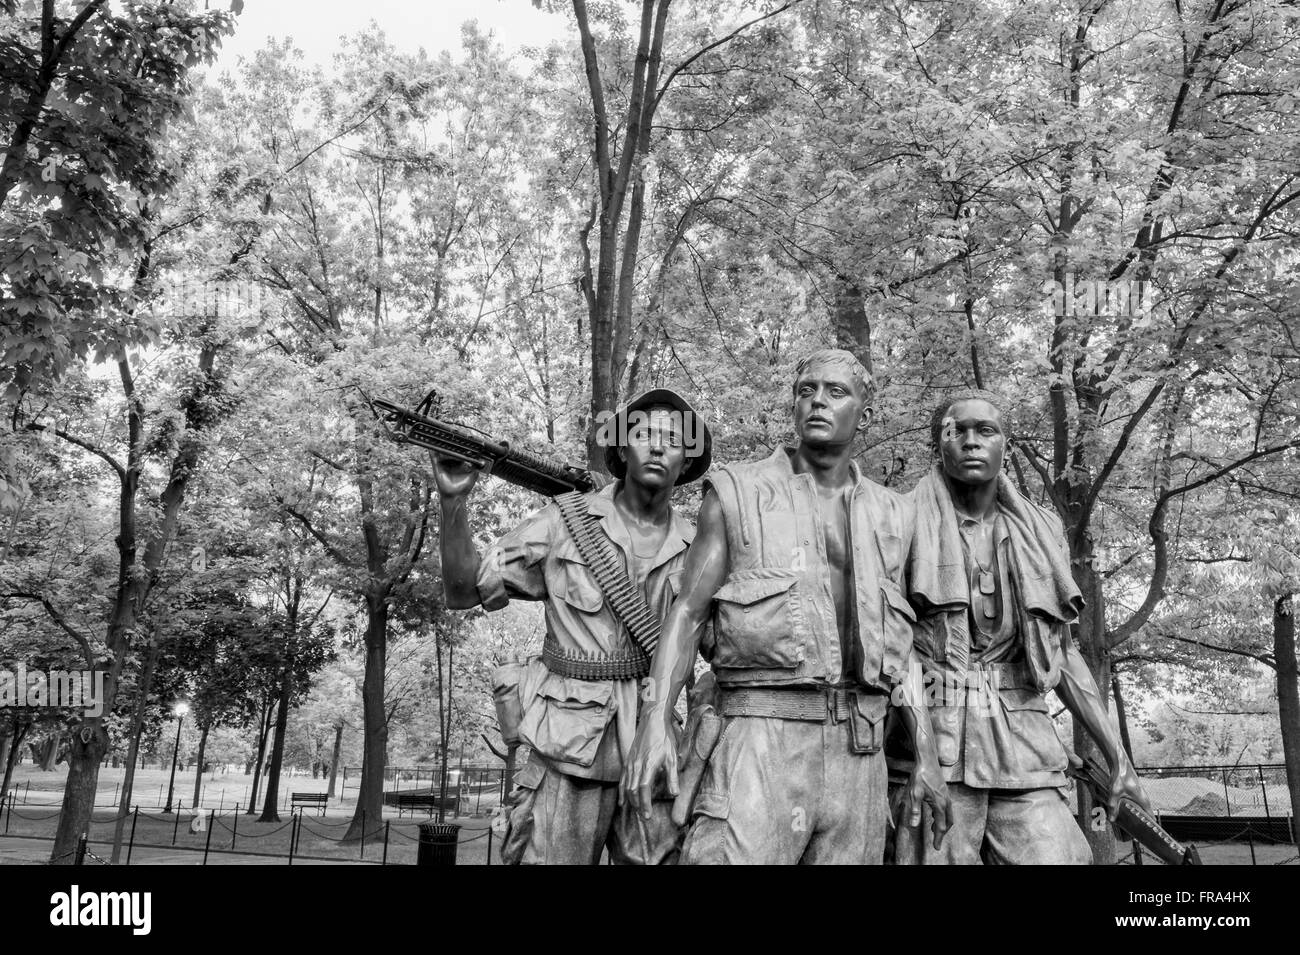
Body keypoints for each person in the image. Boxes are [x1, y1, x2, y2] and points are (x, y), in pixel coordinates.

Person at [622, 348, 951, 864]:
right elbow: (686, 612)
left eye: (835, 392)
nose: (818, 401)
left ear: (864, 413)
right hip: (759, 737)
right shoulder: (738, 491)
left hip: (859, 754)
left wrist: (926, 753)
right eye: (806, 390)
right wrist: (655, 719)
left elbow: (903, 649)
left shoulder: (896, 514)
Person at [434, 389, 711, 865]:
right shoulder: (565, 520)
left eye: (673, 439)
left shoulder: (700, 546)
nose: (659, 446)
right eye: (645, 434)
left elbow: (726, 647)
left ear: (686, 462)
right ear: (623, 450)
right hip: (566, 742)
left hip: (654, 739)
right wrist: (452, 504)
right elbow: (463, 592)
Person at [892, 390, 1150, 864]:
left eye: (985, 431)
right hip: (935, 744)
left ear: (1005, 446)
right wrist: (924, 754)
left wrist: (1118, 756)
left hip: (1023, 745)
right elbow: (895, 645)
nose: (972, 442)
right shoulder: (900, 519)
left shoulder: (1041, 529)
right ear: (939, 445)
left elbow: (1062, 651)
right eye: (957, 431)